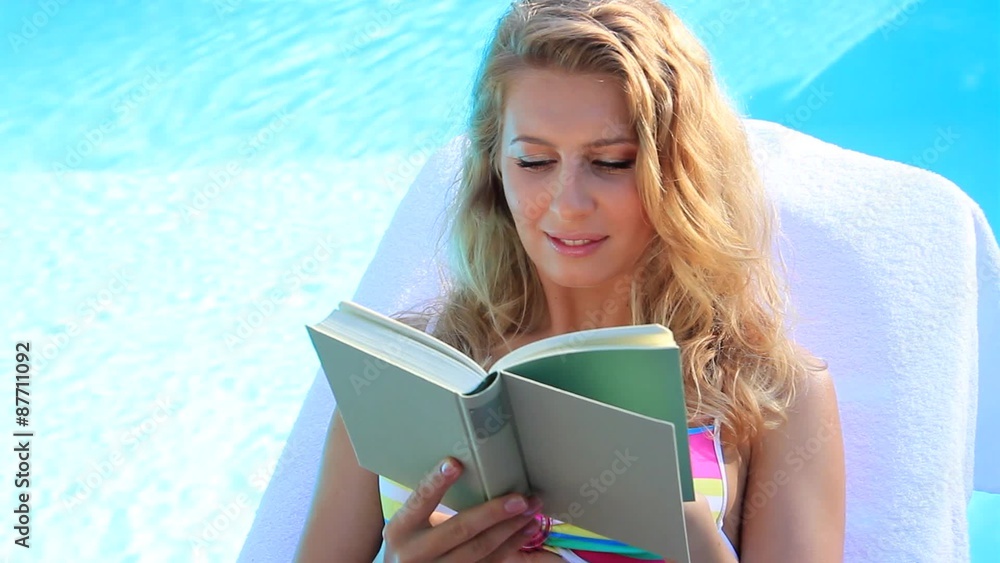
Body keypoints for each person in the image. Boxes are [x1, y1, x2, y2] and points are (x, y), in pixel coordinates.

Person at [295, 0, 846, 560]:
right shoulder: (404, 369)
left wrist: (685, 533)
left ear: (680, 173)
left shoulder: (771, 392)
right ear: (494, 168)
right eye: (534, 162)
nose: (569, 204)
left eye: (612, 163)